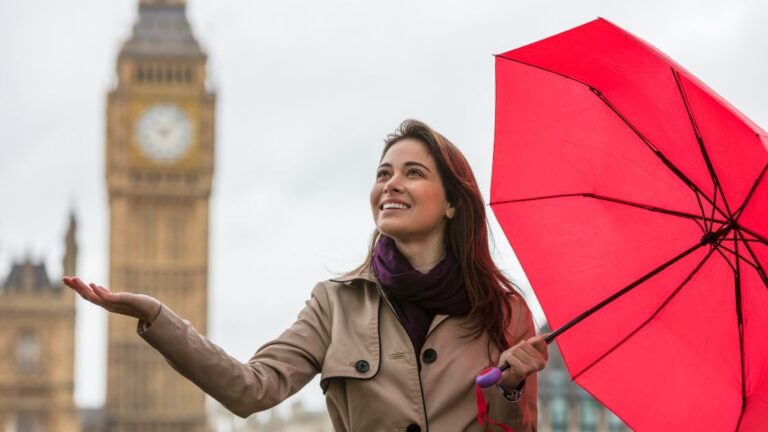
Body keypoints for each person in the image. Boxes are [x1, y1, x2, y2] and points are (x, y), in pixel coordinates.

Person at [64, 119, 548, 431]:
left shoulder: (504, 312)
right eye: (383, 174)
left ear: (451, 203)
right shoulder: (335, 305)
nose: (391, 184)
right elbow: (251, 388)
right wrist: (157, 317)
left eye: (413, 173)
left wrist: (510, 387)